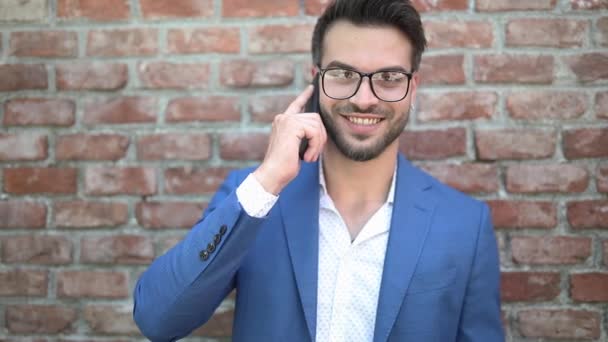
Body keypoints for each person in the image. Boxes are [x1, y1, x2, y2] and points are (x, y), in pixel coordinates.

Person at [133, 0, 504, 341]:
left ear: (413, 87)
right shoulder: (256, 200)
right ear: (316, 81)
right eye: (343, 74)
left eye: (389, 78)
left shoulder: (465, 225)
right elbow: (158, 319)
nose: (364, 98)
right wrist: (268, 180)